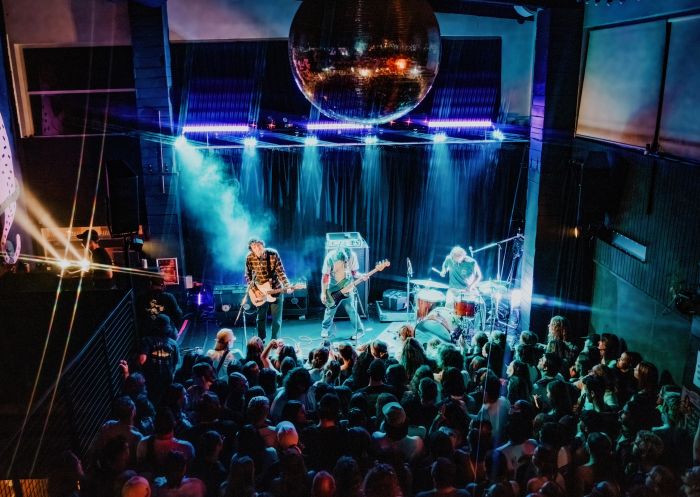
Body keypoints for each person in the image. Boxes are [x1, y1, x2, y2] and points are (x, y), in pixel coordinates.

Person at [244, 238, 293, 342]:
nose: (257, 248)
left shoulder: (273, 254)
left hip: (276, 289)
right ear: (251, 249)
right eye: (254, 246)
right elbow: (247, 275)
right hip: (259, 291)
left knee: (276, 319)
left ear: (263, 245)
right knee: (260, 318)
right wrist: (255, 290)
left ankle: (274, 340)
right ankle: (261, 340)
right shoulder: (249, 257)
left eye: (259, 245)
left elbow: (281, 272)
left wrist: (287, 285)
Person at [320, 247, 366, 339]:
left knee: (351, 309)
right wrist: (324, 293)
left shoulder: (352, 256)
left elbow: (354, 273)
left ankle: (360, 331)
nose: (344, 264)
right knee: (330, 308)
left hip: (347, 285)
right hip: (333, 285)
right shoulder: (330, 258)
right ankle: (325, 329)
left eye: (345, 262)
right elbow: (325, 276)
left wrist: (361, 276)